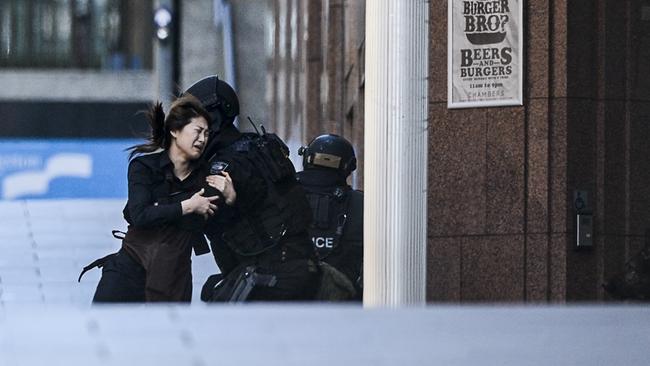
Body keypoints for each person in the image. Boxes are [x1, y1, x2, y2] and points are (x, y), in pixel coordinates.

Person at [83, 95, 236, 303]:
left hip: (174, 277)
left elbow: (217, 223)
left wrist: (230, 198)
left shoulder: (207, 176)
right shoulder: (144, 167)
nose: (202, 139)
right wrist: (187, 206)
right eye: (198, 131)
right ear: (174, 130)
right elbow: (139, 215)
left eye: (207, 134)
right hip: (130, 268)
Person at [184, 75, 319, 302]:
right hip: (296, 264)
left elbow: (198, 214)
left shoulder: (227, 164)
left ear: (212, 120)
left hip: (272, 274)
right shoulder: (254, 148)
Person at [296, 134, 363, 301]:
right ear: (348, 167)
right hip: (344, 307)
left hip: (284, 304)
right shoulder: (362, 204)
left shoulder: (281, 195)